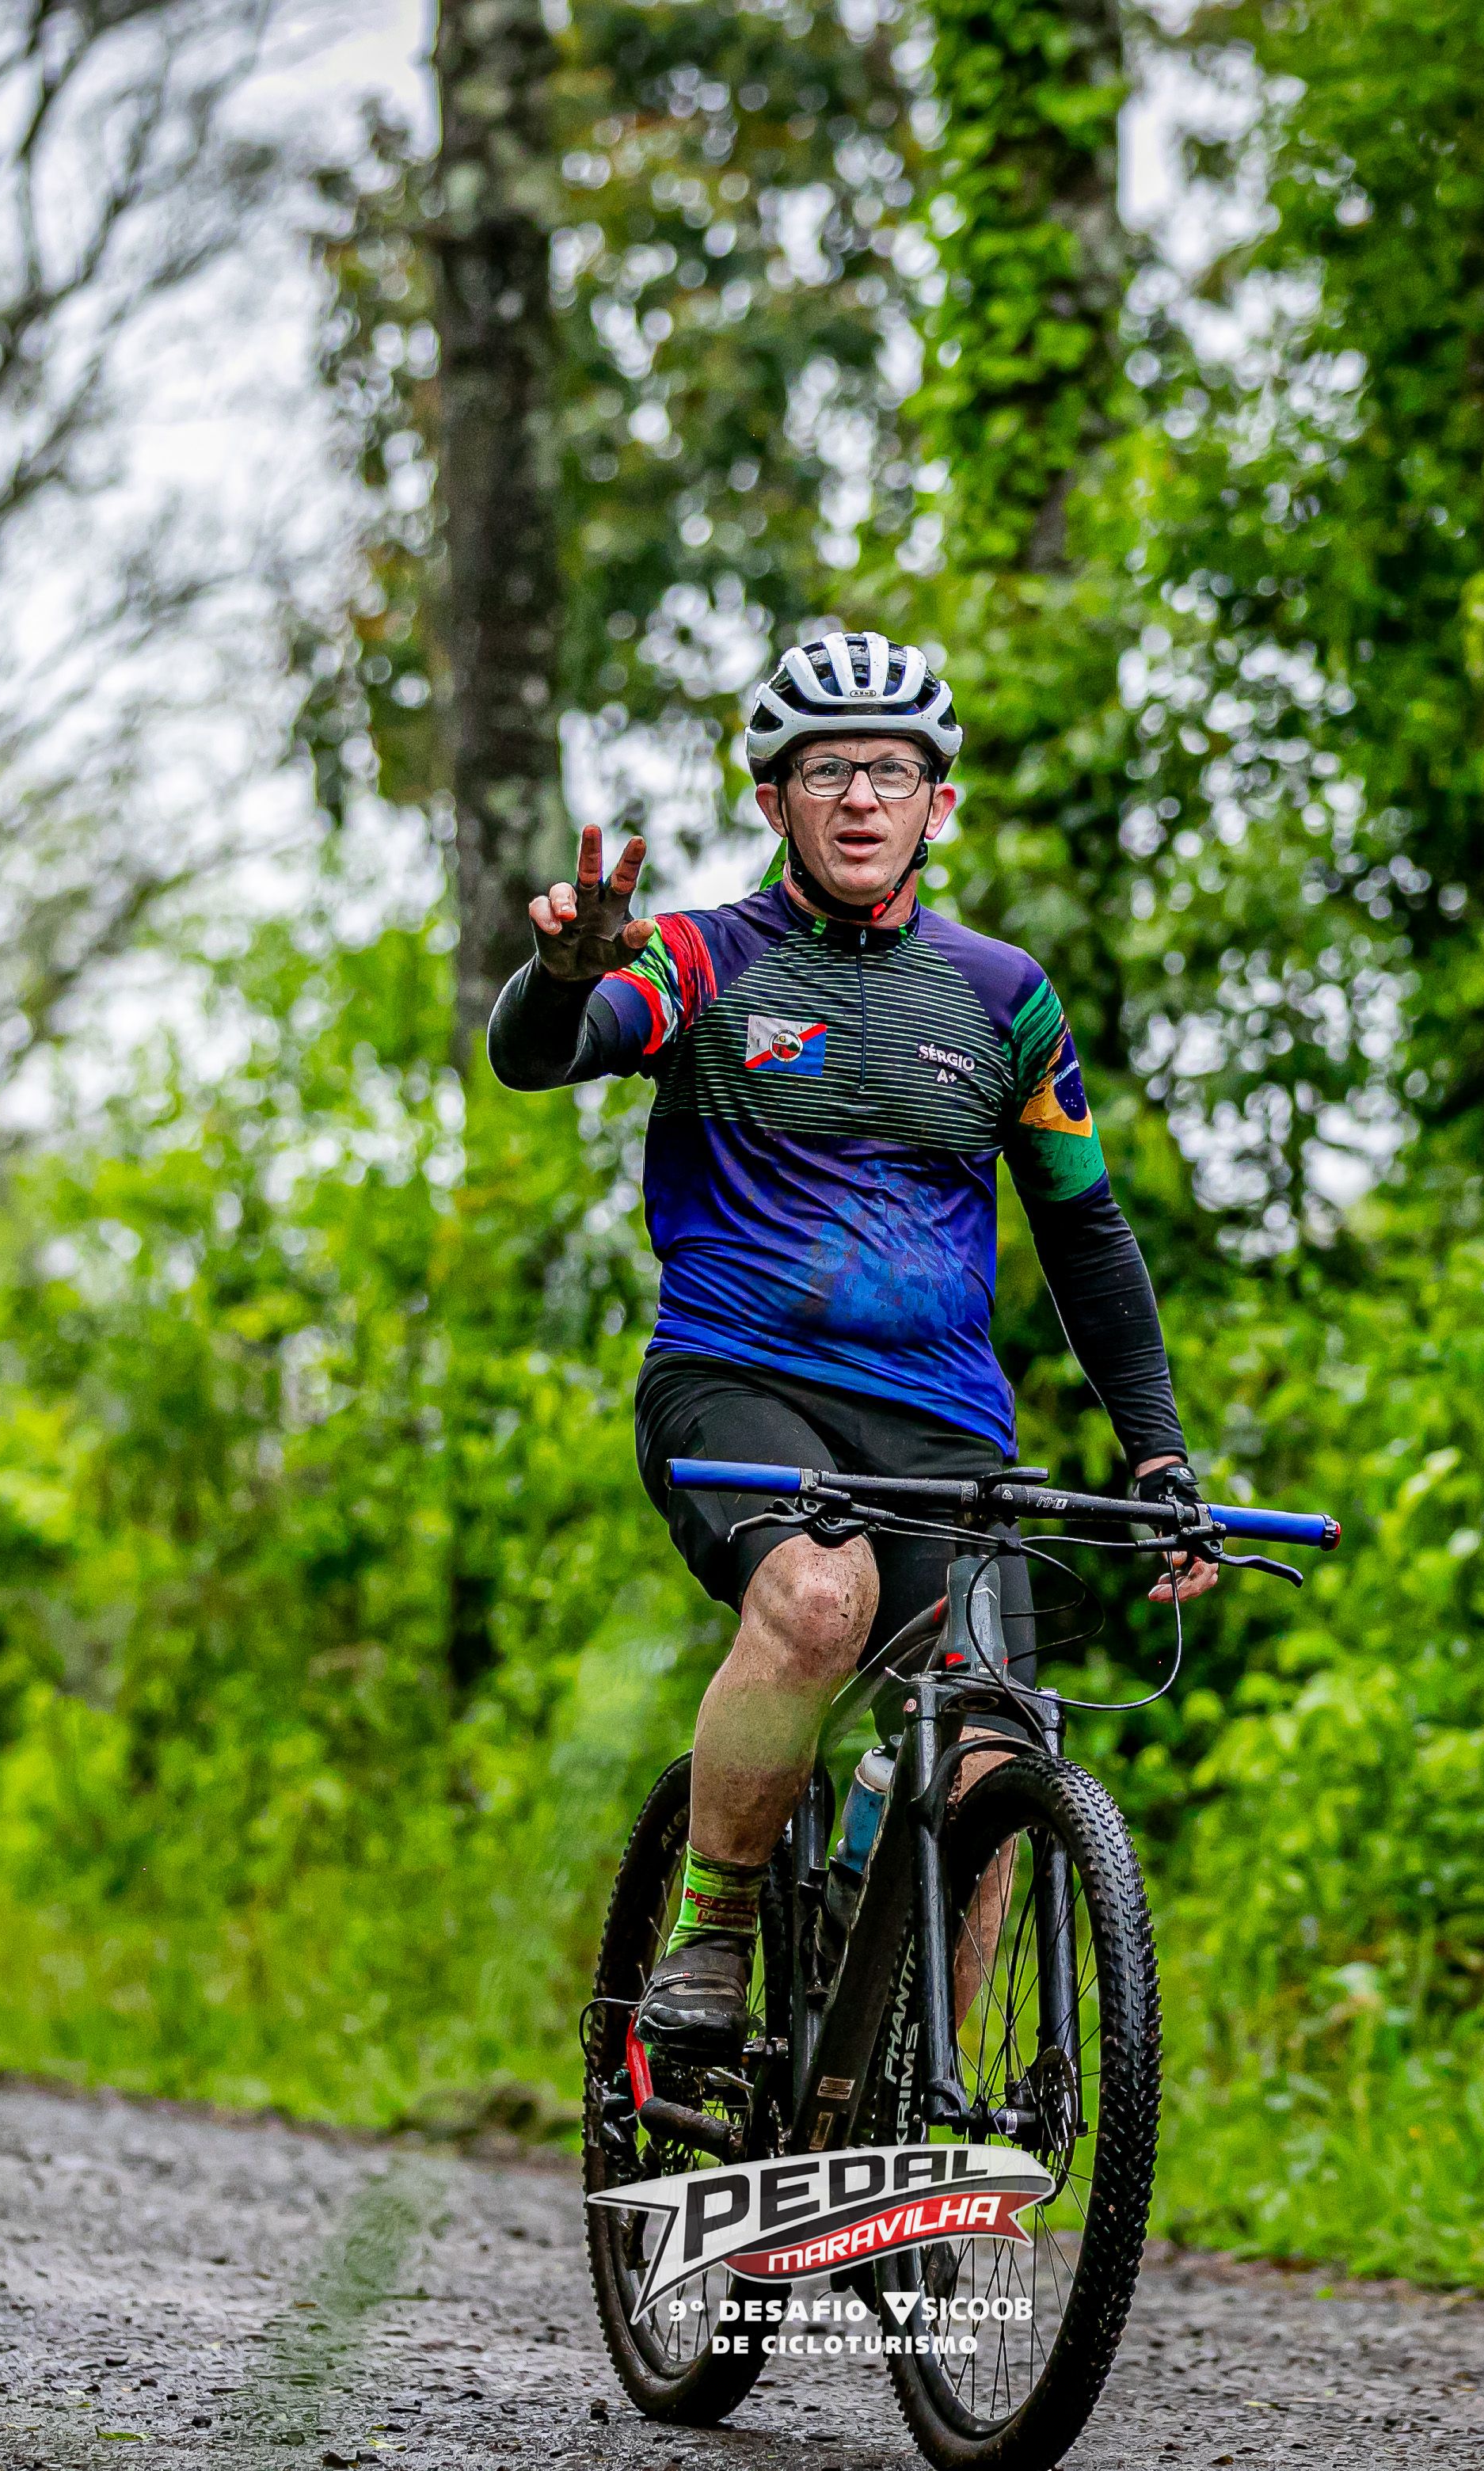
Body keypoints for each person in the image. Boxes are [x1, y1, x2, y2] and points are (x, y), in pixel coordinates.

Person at [485, 629, 1216, 2055]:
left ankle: (897, 2089)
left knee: (990, 1746)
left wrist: (1160, 1454)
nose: (863, 797)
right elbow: (540, 1052)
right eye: (827, 772)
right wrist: (563, 976)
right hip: (737, 1385)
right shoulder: (698, 958)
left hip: (942, 1423)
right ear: (775, 802)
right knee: (822, 1600)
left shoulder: (1006, 999)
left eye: (893, 769)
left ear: (941, 802)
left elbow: (1086, 1232)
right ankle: (711, 1932)